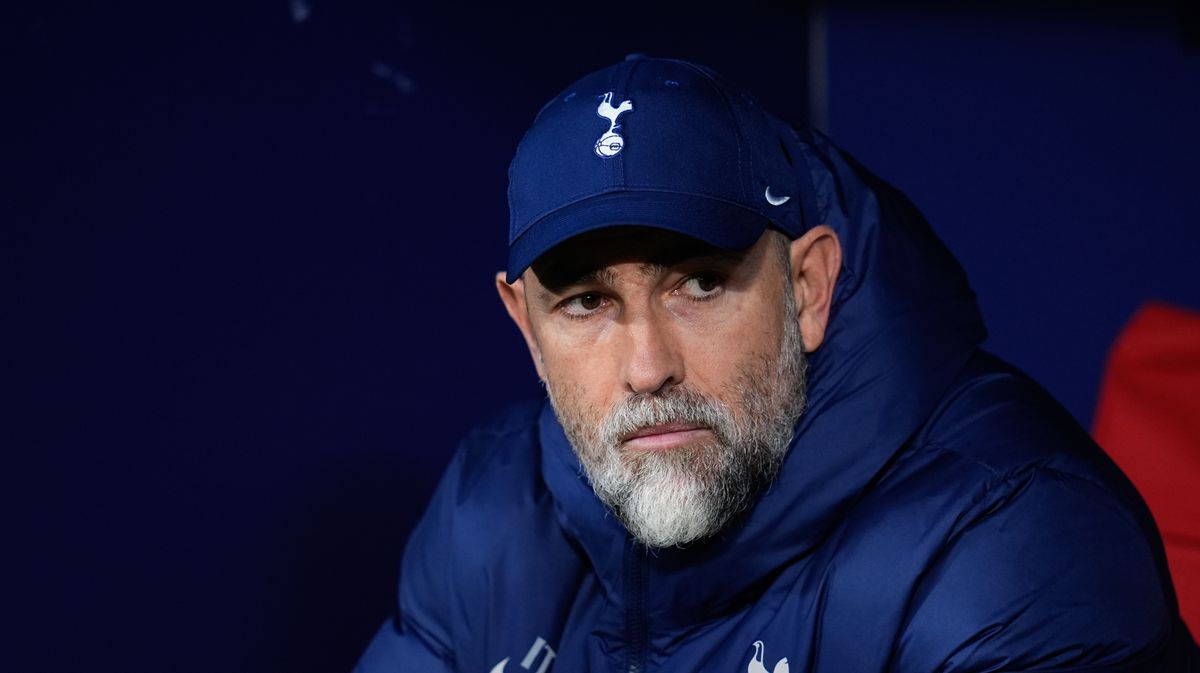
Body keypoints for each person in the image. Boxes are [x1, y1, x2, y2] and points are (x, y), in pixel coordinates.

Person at [354, 56, 1198, 672]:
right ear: (527, 327)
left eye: (699, 283)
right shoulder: (489, 513)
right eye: (586, 302)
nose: (647, 367)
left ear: (808, 287)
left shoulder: (1017, 538)